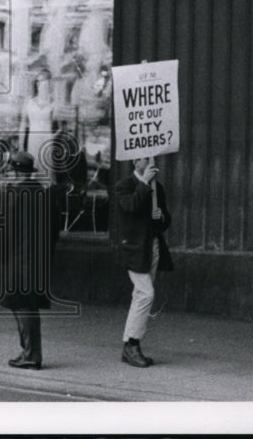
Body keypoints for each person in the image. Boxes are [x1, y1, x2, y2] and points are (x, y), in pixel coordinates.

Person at [0, 151, 61, 370]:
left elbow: (6, 231)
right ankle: (29, 351)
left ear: (15, 172)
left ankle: (31, 354)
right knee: (27, 305)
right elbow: (54, 230)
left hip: (19, 258)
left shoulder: (13, 194)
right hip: (38, 259)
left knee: (22, 305)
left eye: (9, 171)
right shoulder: (42, 194)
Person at [114, 155, 173, 367]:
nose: (151, 163)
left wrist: (161, 218)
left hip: (153, 246)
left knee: (140, 295)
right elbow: (130, 207)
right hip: (134, 248)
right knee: (146, 293)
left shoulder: (158, 187)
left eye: (153, 159)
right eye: (146, 159)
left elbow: (166, 219)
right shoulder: (125, 185)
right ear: (135, 162)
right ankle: (132, 344)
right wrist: (144, 183)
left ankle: (129, 345)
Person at [19, 69, 56, 170]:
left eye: (44, 82)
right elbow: (23, 124)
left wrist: (53, 138)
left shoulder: (54, 103)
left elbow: (58, 127)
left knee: (46, 170)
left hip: (47, 141)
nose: (41, 85)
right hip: (33, 140)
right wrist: (21, 146)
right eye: (38, 81)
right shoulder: (28, 101)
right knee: (33, 168)